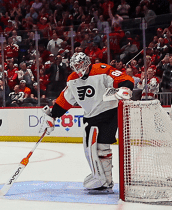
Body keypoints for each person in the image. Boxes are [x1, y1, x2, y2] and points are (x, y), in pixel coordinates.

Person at [43, 51, 135, 194]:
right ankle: (105, 181)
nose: (78, 69)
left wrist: (125, 87)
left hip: (109, 112)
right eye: (75, 66)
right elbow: (65, 100)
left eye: (80, 65)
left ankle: (101, 178)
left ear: (87, 63)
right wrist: (53, 114)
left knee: (99, 146)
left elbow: (123, 78)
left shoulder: (102, 69)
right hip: (91, 116)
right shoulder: (72, 79)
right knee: (93, 148)